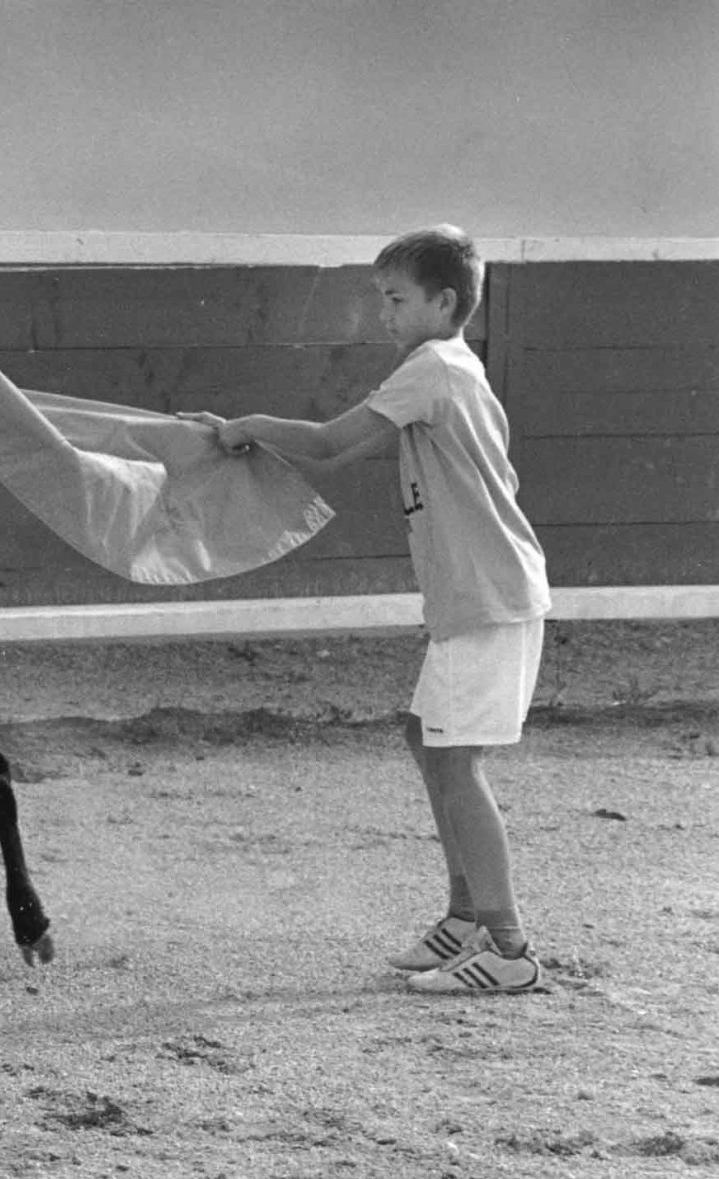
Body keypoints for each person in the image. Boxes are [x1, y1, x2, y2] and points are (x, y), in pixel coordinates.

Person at [195, 226, 552, 993]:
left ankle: (511, 949)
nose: (383, 314)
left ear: (444, 301)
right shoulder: (453, 368)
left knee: (455, 762)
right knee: (428, 738)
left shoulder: (432, 368)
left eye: (396, 299)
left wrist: (249, 426)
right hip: (480, 594)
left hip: (486, 597)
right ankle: (464, 918)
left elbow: (330, 444)